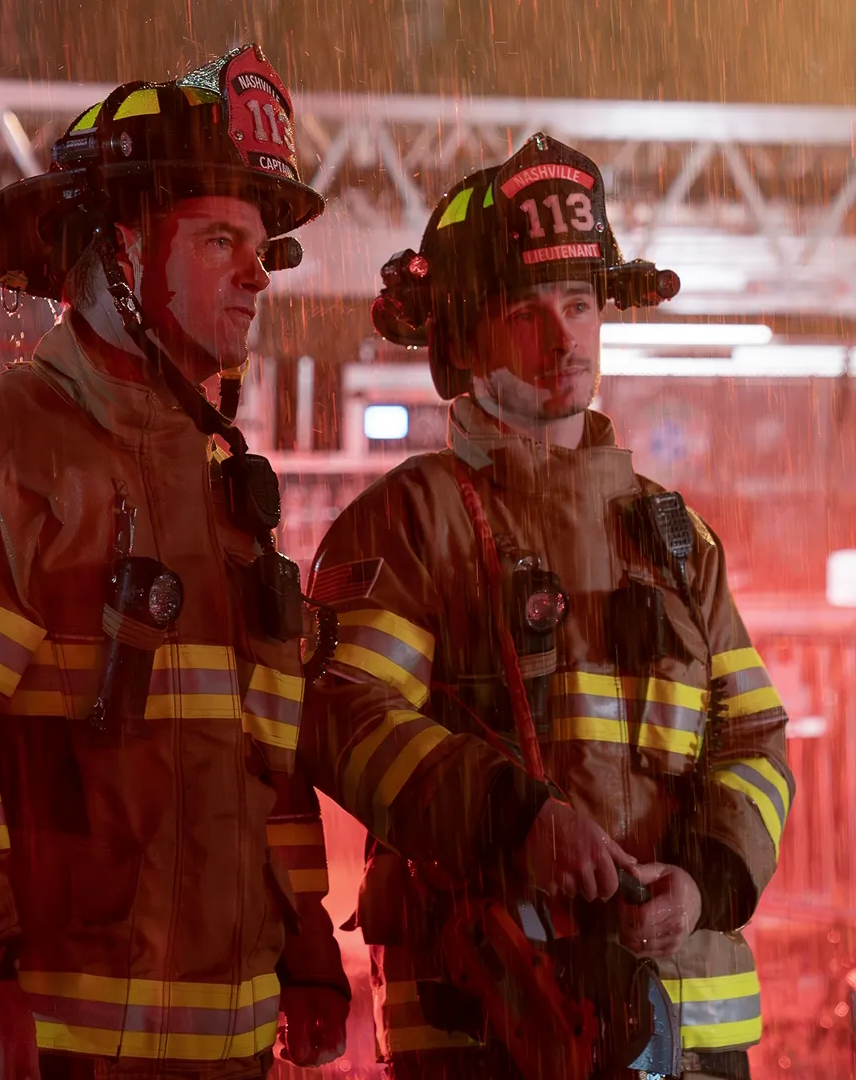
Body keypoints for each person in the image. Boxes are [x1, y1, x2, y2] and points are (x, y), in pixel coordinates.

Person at [0, 51, 623, 1080]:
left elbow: (267, 757)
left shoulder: (225, 499)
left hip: (222, 1051)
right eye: (221, 240)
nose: (259, 273)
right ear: (120, 250)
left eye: (262, 247)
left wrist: (304, 946)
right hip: (40, 1047)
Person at [310, 134, 794, 1080]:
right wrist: (517, 822)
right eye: (526, 314)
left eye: (578, 305)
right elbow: (346, 718)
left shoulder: (674, 535)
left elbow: (757, 743)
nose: (563, 339)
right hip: (489, 1031)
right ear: (461, 343)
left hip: (690, 1034)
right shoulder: (413, 523)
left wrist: (702, 882)